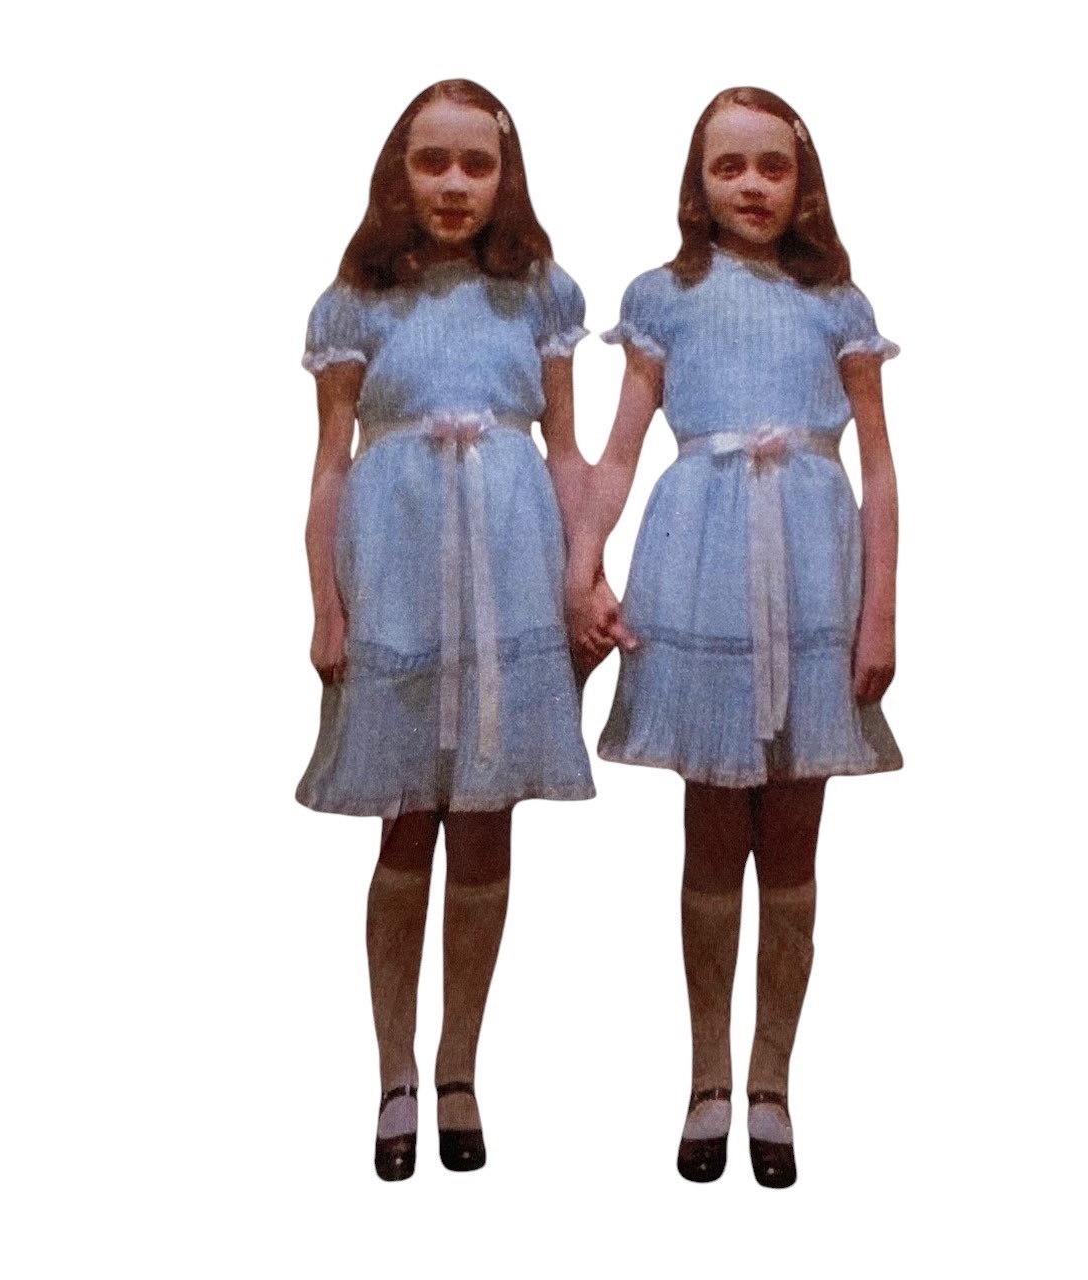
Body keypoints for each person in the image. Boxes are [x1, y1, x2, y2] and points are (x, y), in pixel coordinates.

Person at [568, 87, 902, 1188]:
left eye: (773, 166)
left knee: (793, 841)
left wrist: (879, 608)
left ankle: (773, 1081)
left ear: (804, 183)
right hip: (702, 564)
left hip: (812, 572)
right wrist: (585, 561)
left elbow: (879, 467)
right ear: (696, 182)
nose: (752, 185)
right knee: (712, 832)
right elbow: (620, 451)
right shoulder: (662, 296)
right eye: (729, 167)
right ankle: (707, 1074)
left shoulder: (835, 302)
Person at [297, 79, 594, 1180]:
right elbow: (331, 466)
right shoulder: (356, 302)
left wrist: (581, 577)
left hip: (509, 564)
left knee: (485, 824)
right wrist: (326, 604)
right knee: (404, 823)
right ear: (399, 171)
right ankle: (393, 1070)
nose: (456, 184)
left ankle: (459, 1064)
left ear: (506, 174)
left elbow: (565, 452)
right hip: (400, 567)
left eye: (478, 163)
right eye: (434, 162)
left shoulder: (540, 295)